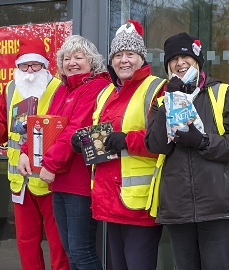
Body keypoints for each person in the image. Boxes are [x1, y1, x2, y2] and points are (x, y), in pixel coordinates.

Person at [145, 33, 229, 270]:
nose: (179, 63)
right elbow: (155, 145)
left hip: (217, 202)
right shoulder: (162, 99)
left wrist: (202, 141)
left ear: (197, 61)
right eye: (173, 59)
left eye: (185, 57)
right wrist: (170, 99)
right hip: (177, 205)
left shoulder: (222, 92)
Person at [73, 20, 165, 269]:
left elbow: (164, 140)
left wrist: (127, 140)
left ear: (141, 58)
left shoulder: (157, 88)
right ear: (111, 60)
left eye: (131, 54)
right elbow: (100, 134)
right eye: (118, 55)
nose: (124, 60)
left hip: (139, 202)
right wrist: (82, 140)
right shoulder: (106, 93)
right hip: (109, 199)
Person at [0, 39, 69, 269]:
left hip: (50, 178)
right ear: (18, 67)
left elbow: (65, 131)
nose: (29, 71)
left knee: (58, 242)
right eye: (25, 66)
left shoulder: (59, 88)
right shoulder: (10, 88)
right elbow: (2, 127)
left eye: (36, 65)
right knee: (26, 240)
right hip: (20, 179)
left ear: (46, 66)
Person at [18, 35, 112, 270]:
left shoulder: (97, 86)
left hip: (80, 182)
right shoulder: (62, 89)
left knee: (82, 252)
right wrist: (26, 151)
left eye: (78, 57)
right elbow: (45, 124)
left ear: (91, 61)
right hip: (60, 181)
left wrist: (49, 164)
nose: (72, 62)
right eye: (66, 58)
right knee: (70, 251)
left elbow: (75, 129)